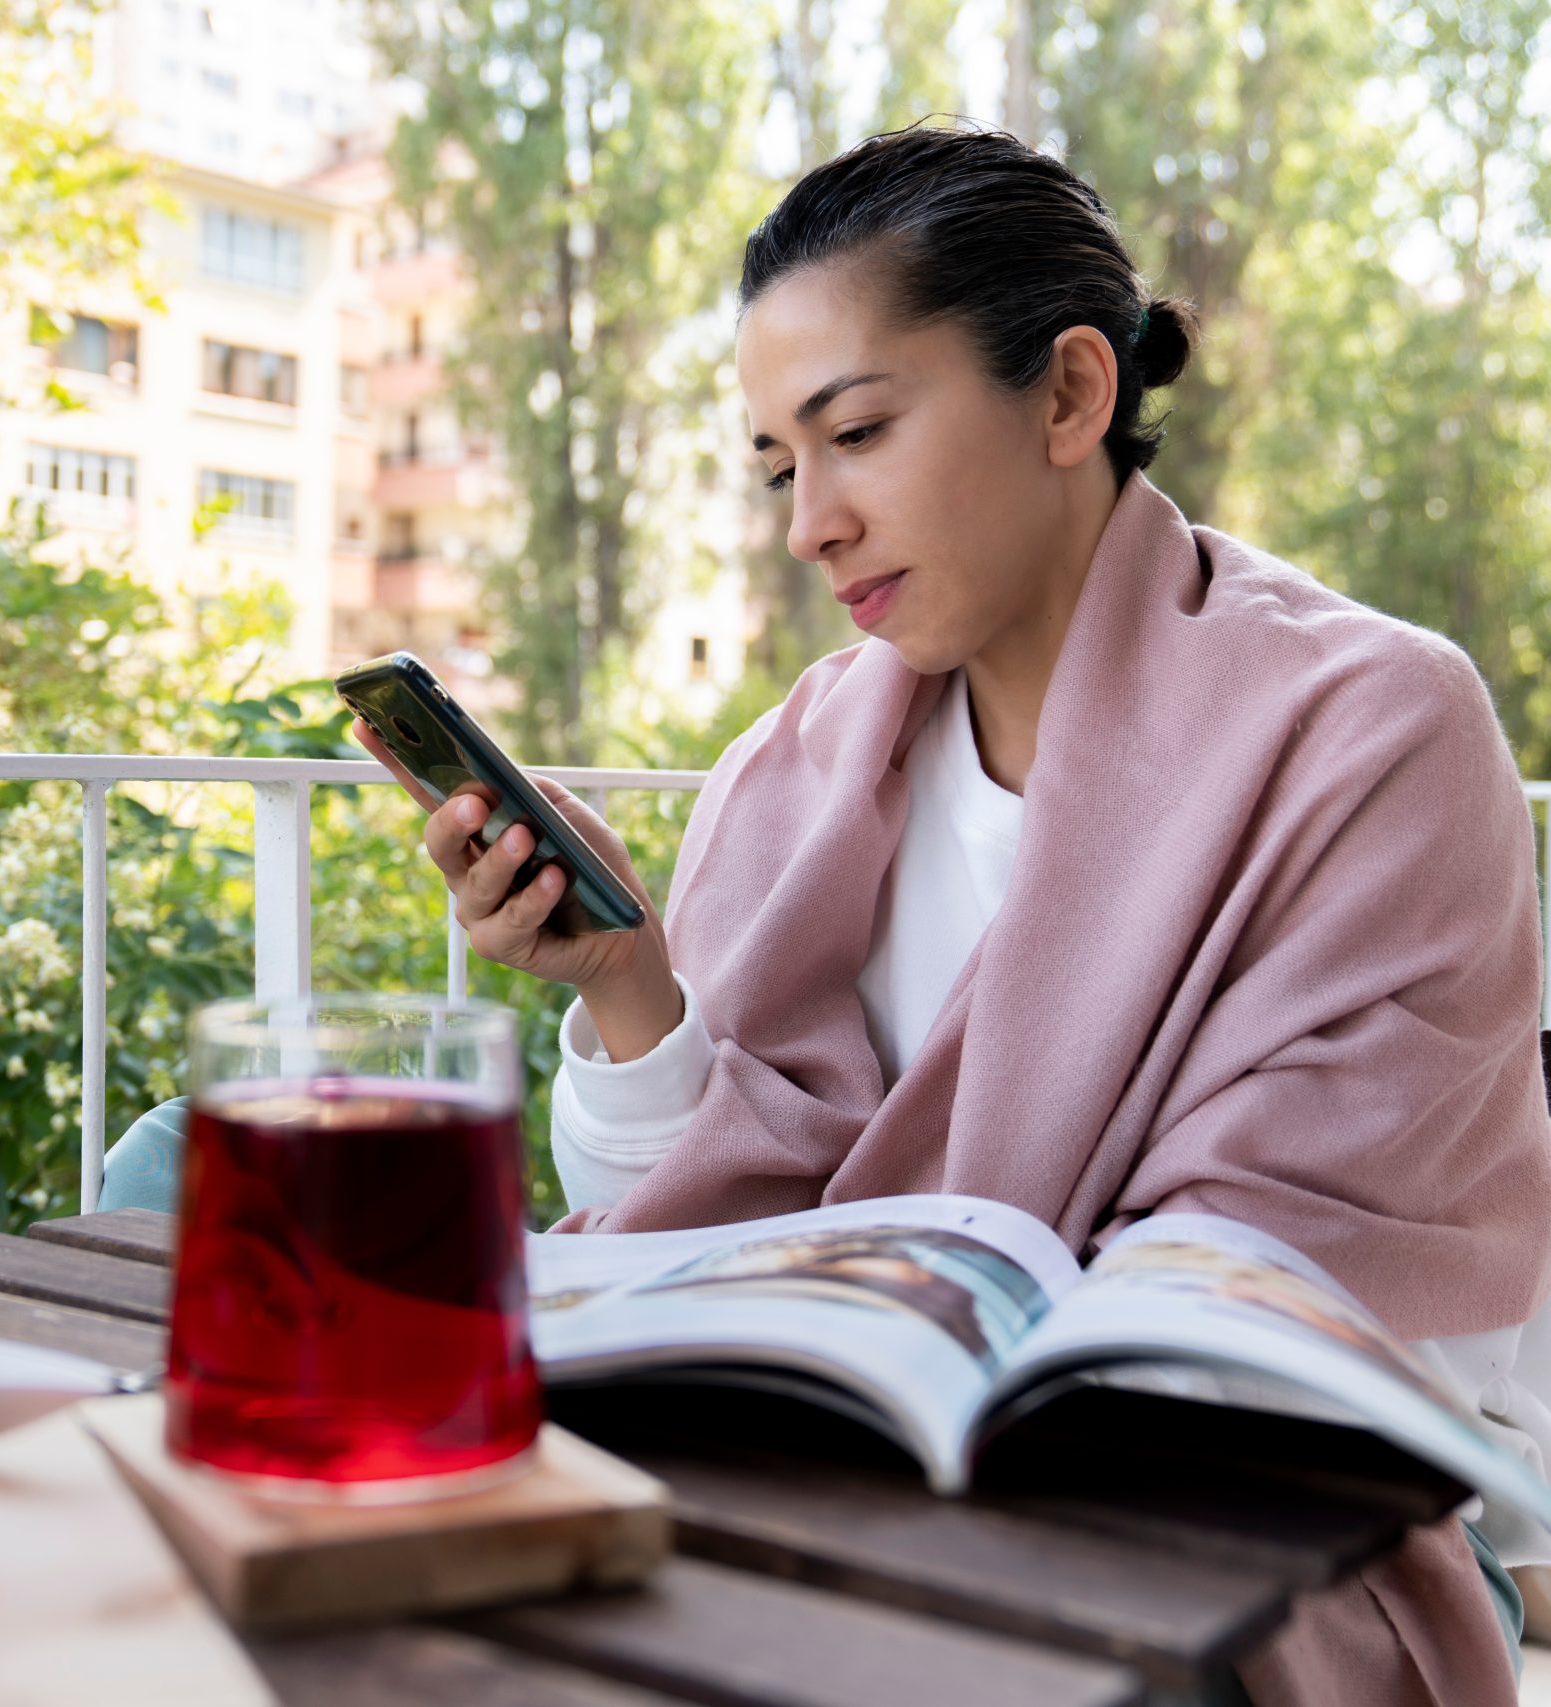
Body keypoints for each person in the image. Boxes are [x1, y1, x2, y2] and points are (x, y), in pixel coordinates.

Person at [348, 125, 1551, 1707]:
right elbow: (687, 1221)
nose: (809, 526)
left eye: (855, 434)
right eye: (781, 463)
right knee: (196, 1167)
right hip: (829, 1453)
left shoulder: (1369, 729)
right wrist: (633, 985)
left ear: (1068, 393)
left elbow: (1328, 1301)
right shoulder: (799, 768)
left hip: (1244, 1506)